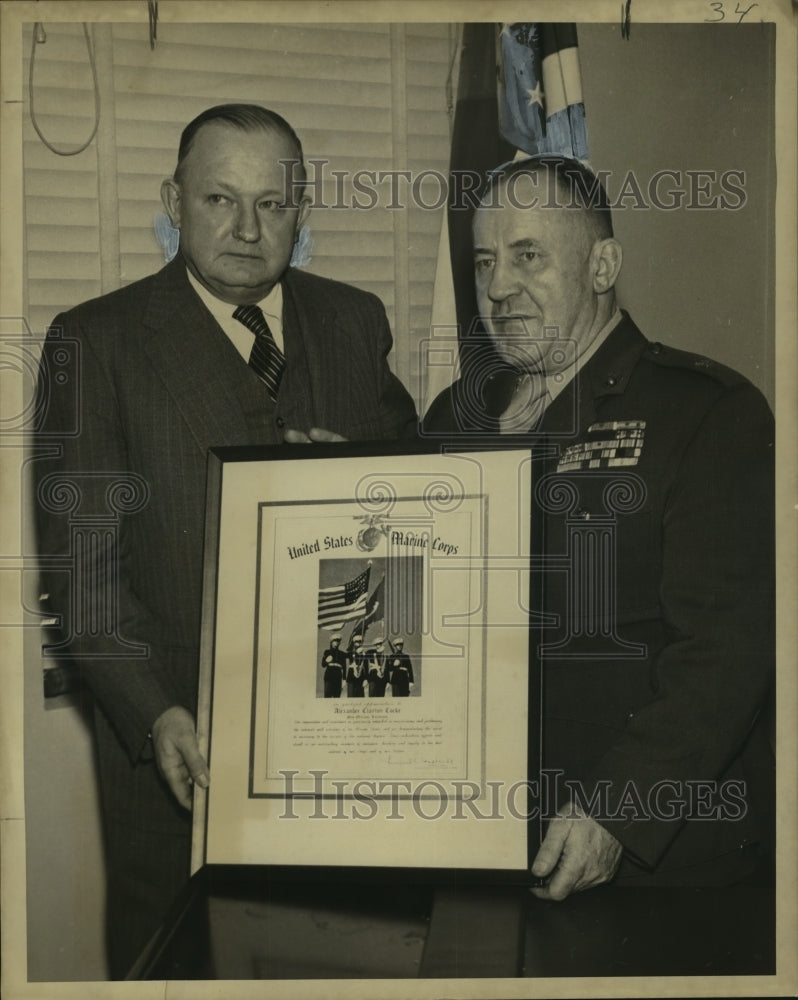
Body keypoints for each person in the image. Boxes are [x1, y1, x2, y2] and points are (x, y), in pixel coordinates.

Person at [33, 102, 417, 977]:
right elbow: (85, 579)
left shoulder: (356, 321)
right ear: (173, 199)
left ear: (302, 206)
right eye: (218, 200)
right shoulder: (95, 342)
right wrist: (156, 712)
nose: (247, 229)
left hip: (349, 746)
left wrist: (365, 485)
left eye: (273, 204)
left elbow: (419, 513)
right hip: (175, 753)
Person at [422, 156, 774, 901]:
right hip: (474, 831)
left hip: (641, 854)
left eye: (527, 255)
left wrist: (620, 809)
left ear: (604, 263)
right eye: (485, 259)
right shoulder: (454, 419)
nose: (496, 287)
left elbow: (726, 652)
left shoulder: (705, 412)